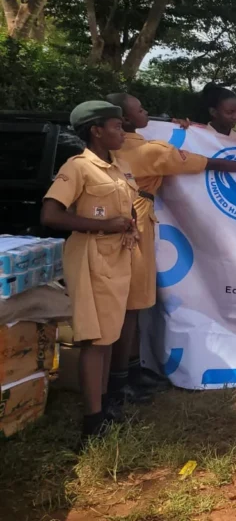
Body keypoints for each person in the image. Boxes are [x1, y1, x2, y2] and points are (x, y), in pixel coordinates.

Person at [104, 93, 236, 403]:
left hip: (125, 225)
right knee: (130, 308)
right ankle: (121, 381)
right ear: (125, 121)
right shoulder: (147, 149)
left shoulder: (115, 148)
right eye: (141, 109)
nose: (147, 112)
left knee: (132, 307)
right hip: (135, 228)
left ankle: (132, 371)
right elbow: (206, 162)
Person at [40, 101, 140, 441]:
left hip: (117, 259)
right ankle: (92, 423)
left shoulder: (119, 166)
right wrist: (103, 225)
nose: (122, 131)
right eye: (115, 125)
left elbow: (125, 207)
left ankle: (106, 405)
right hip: (91, 259)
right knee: (95, 340)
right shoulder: (79, 167)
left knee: (109, 336)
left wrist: (128, 222)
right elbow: (51, 215)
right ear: (96, 130)